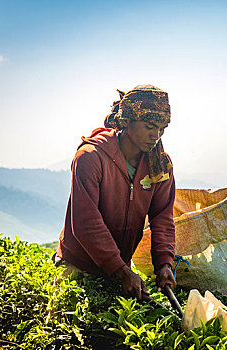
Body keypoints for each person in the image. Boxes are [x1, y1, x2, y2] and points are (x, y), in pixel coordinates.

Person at [55, 84, 176, 301]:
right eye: (149, 127)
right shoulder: (91, 157)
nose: (156, 136)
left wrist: (164, 263)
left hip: (120, 268)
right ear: (127, 121)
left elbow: (162, 218)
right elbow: (86, 222)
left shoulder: (159, 166)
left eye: (162, 128)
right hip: (77, 266)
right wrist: (120, 270)